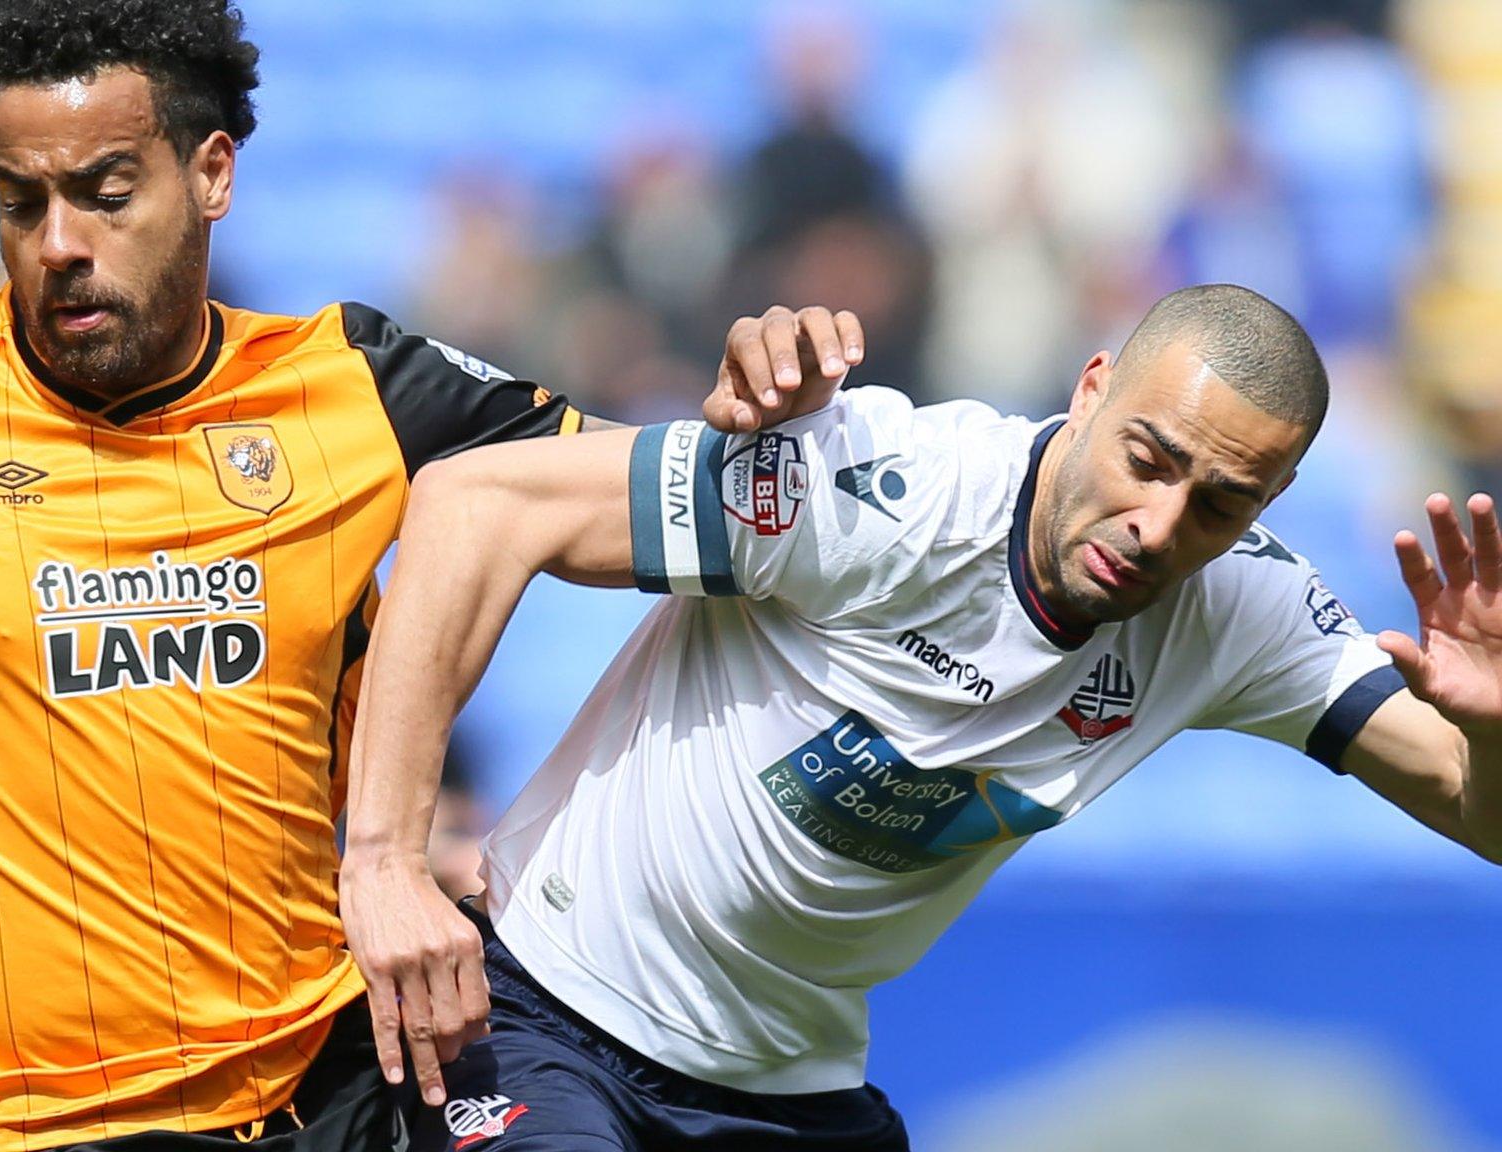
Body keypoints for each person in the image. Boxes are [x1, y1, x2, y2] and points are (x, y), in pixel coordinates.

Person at [0, 0, 855, 1147]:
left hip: (340, 1099)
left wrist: (754, 401)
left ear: (212, 173)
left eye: (105, 192)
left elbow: (699, 514)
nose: (58, 244)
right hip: (29, 1130)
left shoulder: (359, 392)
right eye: (21, 201)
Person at [341, 283, 1502, 1151]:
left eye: (1219, 504)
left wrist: (1491, 729)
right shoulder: (879, 486)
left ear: (1271, 500)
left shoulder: (1234, 605)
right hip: (547, 1010)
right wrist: (387, 857)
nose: (1159, 524)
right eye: (1146, 460)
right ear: (1090, 388)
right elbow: (472, 503)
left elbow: (1474, 807)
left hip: (791, 1090)